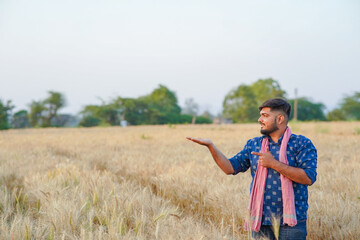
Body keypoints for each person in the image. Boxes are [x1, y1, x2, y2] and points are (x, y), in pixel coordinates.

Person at [186, 98, 317, 240]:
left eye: (265, 116)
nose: (260, 119)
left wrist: (274, 164)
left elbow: (308, 178)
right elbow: (230, 168)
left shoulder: (301, 144)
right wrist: (211, 147)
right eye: (260, 115)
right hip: (260, 220)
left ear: (280, 119)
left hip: (292, 222)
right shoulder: (254, 144)